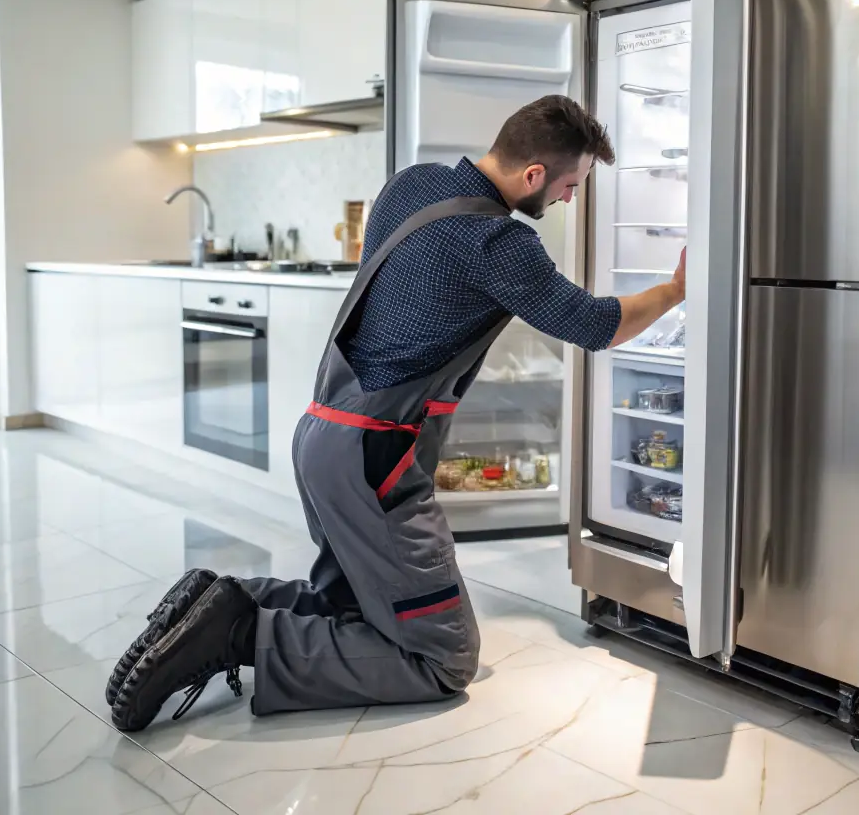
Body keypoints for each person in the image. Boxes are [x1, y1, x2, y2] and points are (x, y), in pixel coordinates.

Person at [108, 94, 686, 731]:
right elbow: (593, 325)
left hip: (322, 431)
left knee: (351, 604)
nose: (569, 200)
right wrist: (675, 290)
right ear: (533, 176)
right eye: (570, 185)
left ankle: (220, 604)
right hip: (374, 461)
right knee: (442, 658)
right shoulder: (499, 241)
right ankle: (234, 634)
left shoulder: (411, 186)